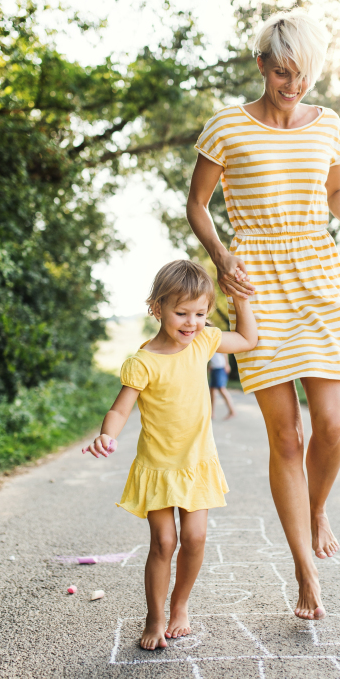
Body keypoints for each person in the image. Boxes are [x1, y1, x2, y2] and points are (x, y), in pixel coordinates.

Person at [186, 9, 340, 621]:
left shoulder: (329, 126)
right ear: (262, 64)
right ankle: (304, 568)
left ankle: (319, 508)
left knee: (333, 427)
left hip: (319, 277)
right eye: (284, 72)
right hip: (258, 281)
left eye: (304, 76)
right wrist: (220, 256)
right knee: (286, 437)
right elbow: (198, 203)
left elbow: (334, 189)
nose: (293, 86)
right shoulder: (227, 128)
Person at [82, 260, 257, 650]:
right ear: (156, 307)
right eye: (182, 313)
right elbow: (120, 409)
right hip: (159, 467)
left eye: (200, 313)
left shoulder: (204, 340)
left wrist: (240, 299)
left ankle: (180, 607)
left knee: (195, 539)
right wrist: (107, 435)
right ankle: (155, 616)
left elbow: (247, 339)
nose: (192, 322)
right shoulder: (142, 361)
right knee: (164, 542)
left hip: (197, 464)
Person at [209, 349, 236, 419]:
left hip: (220, 367)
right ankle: (212, 413)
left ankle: (232, 411)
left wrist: (227, 364)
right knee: (212, 390)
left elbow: (225, 352)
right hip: (214, 368)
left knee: (221, 389)